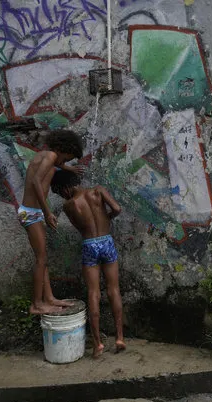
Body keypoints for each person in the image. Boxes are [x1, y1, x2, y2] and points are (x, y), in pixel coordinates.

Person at [51, 170, 125, 358]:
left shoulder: (69, 205)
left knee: (93, 293)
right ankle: (120, 338)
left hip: (89, 245)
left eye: (61, 192)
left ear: (66, 187)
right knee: (113, 289)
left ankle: (98, 343)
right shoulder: (98, 191)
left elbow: (81, 228)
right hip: (106, 241)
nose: (63, 196)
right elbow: (117, 209)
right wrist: (106, 220)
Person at [19, 130, 84, 315]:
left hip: (33, 213)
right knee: (41, 259)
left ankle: (49, 298)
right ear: (64, 150)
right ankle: (36, 304)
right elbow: (36, 183)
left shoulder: (47, 156)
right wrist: (47, 212)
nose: (65, 162)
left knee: (43, 258)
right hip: (31, 213)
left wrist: (68, 168)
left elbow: (55, 165)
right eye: (68, 158)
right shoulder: (50, 156)